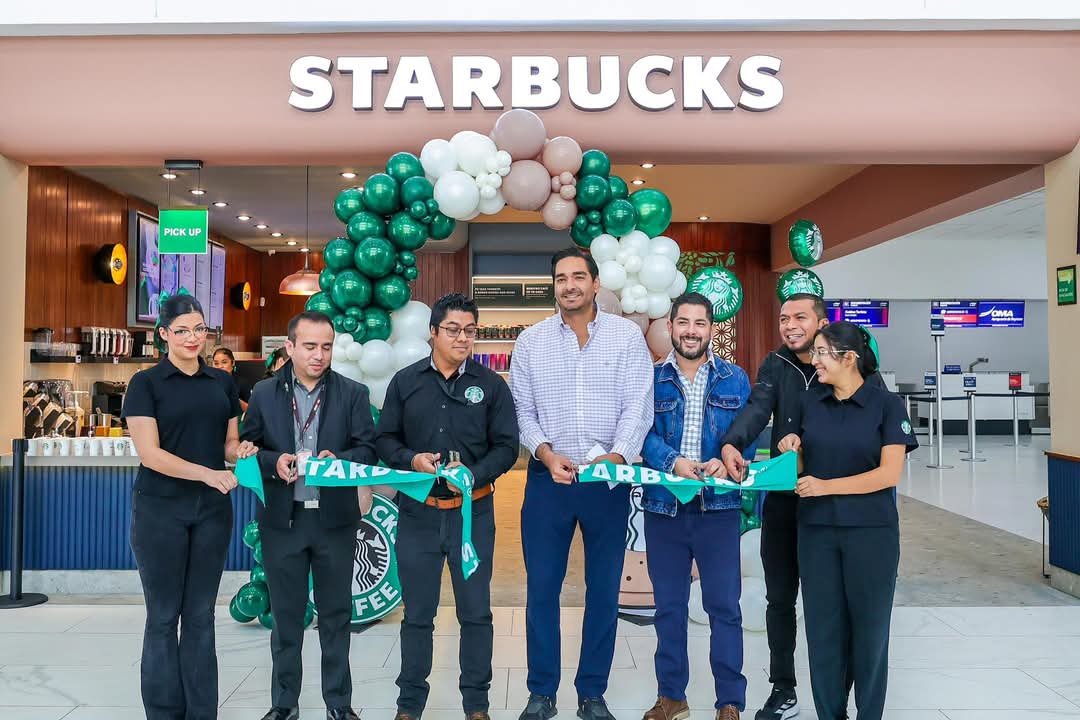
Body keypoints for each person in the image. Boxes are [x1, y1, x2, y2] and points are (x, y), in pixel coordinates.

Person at [719, 294, 883, 720]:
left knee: (834, 604)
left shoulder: (854, 368)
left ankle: (839, 695)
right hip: (785, 502)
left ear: (822, 322)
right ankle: (784, 687)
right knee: (779, 598)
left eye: (799, 317)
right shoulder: (776, 364)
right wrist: (734, 443)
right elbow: (757, 409)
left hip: (835, 508)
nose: (789, 325)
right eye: (783, 318)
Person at [510, 247, 654, 720]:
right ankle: (541, 692)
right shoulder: (530, 342)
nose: (568, 285)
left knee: (603, 590)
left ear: (596, 284)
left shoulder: (626, 337)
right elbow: (522, 412)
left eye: (578, 277)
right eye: (560, 278)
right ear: (554, 287)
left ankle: (592, 692)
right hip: (548, 480)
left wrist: (616, 456)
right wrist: (546, 453)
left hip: (606, 483)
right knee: (542, 590)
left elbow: (639, 404)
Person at [376, 293, 520, 720]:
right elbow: (385, 440)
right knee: (417, 614)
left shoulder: (491, 385)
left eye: (470, 330)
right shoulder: (405, 382)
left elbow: (507, 447)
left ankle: (476, 705)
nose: (463, 337)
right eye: (453, 329)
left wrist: (474, 473)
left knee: (475, 613)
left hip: (472, 516)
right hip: (418, 512)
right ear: (433, 333)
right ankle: (409, 706)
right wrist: (411, 460)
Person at [122, 293, 257, 720]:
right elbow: (150, 453)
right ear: (163, 334)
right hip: (160, 510)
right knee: (163, 616)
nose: (193, 338)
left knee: (200, 616)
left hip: (212, 514)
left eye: (199, 329)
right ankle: (164, 713)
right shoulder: (145, 384)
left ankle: (202, 712)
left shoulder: (221, 382)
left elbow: (228, 444)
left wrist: (241, 452)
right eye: (182, 330)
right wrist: (208, 473)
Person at [240, 311, 378, 720]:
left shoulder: (352, 392)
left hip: (335, 519)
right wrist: (272, 461)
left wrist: (343, 459)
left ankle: (339, 703)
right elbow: (248, 447)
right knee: (286, 617)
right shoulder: (264, 393)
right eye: (310, 346)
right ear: (290, 347)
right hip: (283, 520)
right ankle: (284, 704)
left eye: (327, 346)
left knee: (337, 615)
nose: (320, 355)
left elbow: (368, 451)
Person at [776, 321, 916, 720]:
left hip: (871, 534)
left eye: (821, 352)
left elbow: (889, 474)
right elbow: (801, 472)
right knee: (823, 633)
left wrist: (826, 487)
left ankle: (869, 713)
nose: (814, 359)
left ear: (849, 357)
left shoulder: (887, 405)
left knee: (870, 634)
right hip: (817, 533)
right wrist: (793, 450)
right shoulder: (809, 401)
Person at [639, 293, 752, 720]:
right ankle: (672, 696)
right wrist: (674, 463)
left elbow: (747, 433)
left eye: (699, 323)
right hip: (664, 508)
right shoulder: (649, 378)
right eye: (682, 322)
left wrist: (728, 457)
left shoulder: (734, 378)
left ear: (711, 328)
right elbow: (641, 435)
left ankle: (729, 701)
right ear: (670, 326)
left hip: (718, 509)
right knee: (668, 607)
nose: (691, 330)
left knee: (724, 607)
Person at [211, 346, 252, 412]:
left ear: (233, 363)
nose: (220, 366)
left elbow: (252, 410)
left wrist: (232, 397)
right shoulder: (209, 382)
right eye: (216, 363)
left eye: (224, 362)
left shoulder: (242, 383)